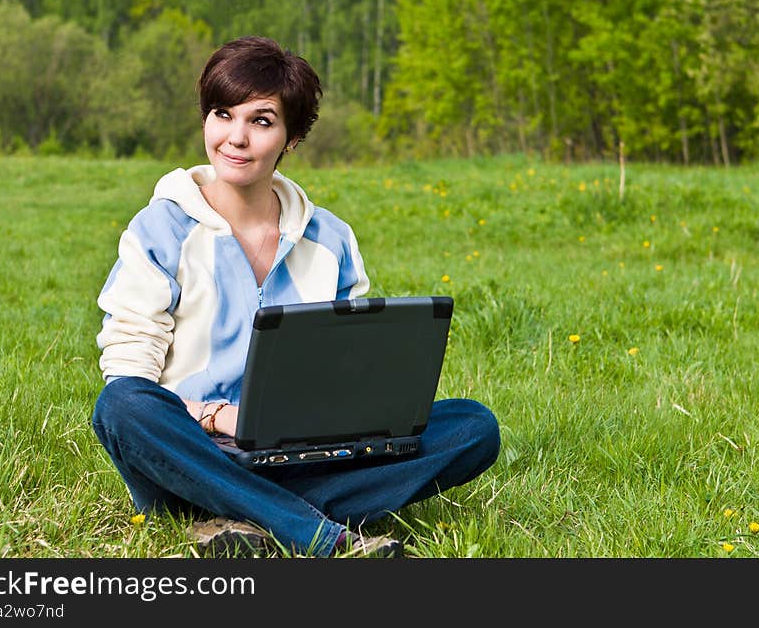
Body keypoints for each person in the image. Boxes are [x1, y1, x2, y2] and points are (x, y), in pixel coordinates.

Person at [90, 35, 500, 558]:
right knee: (121, 407)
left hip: (304, 454)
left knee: (472, 426)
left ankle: (242, 518)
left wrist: (343, 420)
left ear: (291, 138)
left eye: (260, 121)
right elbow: (131, 374)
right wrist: (215, 417)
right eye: (222, 114)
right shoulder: (160, 230)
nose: (235, 137)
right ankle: (321, 536)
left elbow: (351, 369)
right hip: (189, 451)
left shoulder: (330, 241)